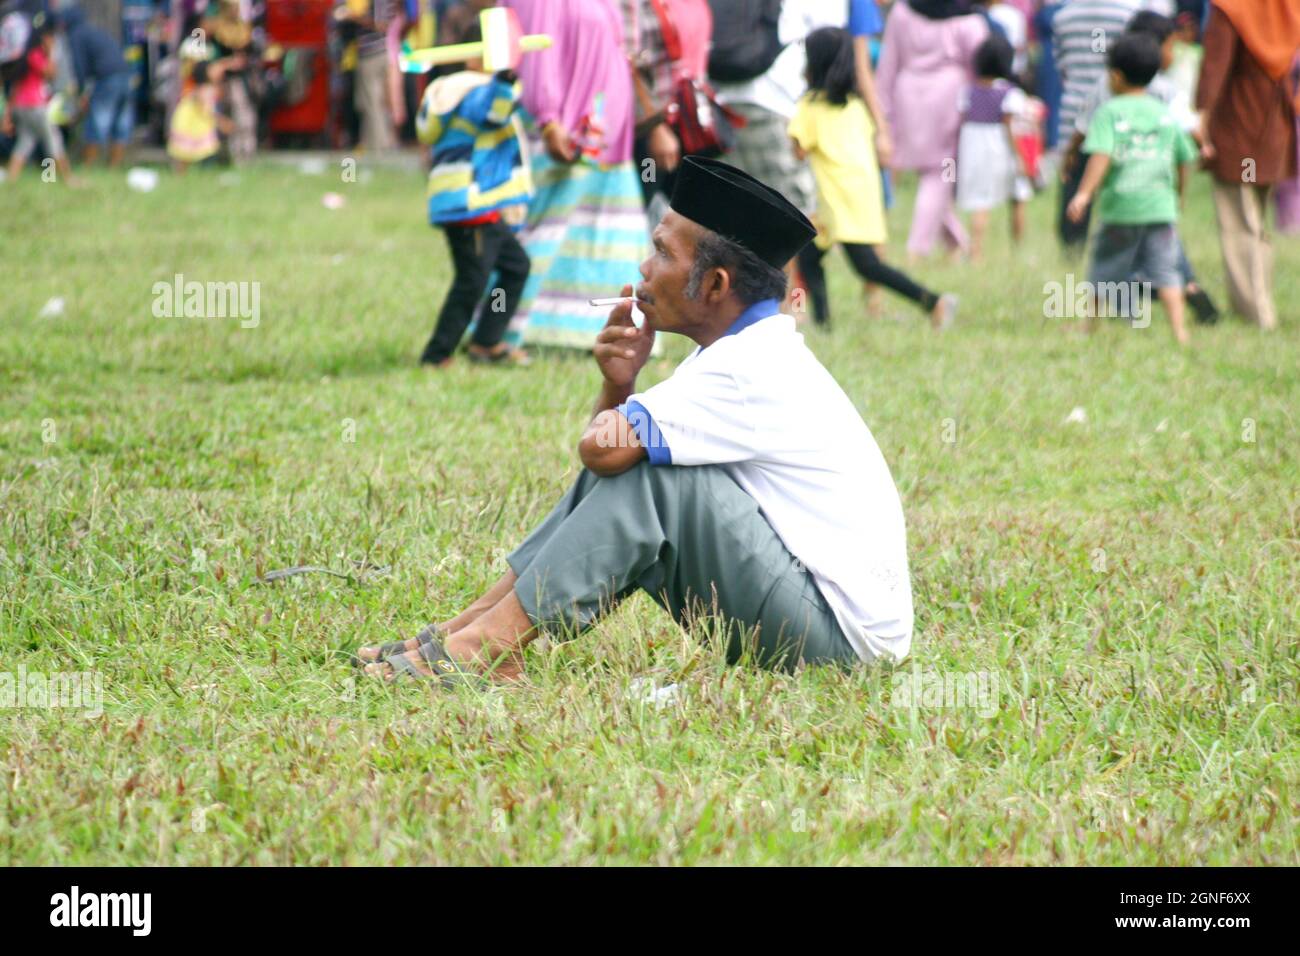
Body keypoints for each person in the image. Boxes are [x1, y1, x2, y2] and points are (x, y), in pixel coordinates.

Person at [355, 157, 914, 683]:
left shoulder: (747, 367)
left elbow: (603, 451)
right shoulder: (738, 351)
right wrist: (620, 385)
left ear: (715, 285)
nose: (645, 270)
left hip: (839, 647)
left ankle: (482, 647)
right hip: (819, 618)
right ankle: (469, 630)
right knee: (644, 454)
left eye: (663, 254)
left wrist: (621, 385)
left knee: (653, 471)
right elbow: (609, 455)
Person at [497, 0, 648, 351]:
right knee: (541, 231)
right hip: (563, 132)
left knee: (601, 236)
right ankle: (499, 332)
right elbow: (534, 46)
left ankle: (591, 330)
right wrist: (548, 119)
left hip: (604, 138)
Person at [789, 27, 957, 328]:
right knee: (811, 256)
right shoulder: (857, 106)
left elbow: (798, 150)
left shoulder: (809, 107)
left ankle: (933, 301)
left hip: (836, 199)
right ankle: (824, 323)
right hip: (863, 195)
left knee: (866, 266)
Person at [1065, 10, 1218, 322]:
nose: (1171, 53)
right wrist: (1200, 151)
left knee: (1106, 263)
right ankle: (1180, 315)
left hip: (1120, 199)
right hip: (1158, 198)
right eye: (1170, 46)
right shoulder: (1165, 95)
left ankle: (1099, 320)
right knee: (1165, 259)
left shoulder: (1105, 94)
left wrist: (1076, 175)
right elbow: (1185, 143)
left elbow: (1089, 138)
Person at [413, 29, 533, 367]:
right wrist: (505, 79)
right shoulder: (466, 91)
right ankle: (436, 355)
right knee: (471, 281)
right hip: (470, 205)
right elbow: (491, 113)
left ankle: (486, 341)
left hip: (481, 206)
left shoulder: (463, 91)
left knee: (515, 267)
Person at [1196, 0, 1299, 331]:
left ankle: (1256, 314)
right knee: (1256, 222)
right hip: (1274, 126)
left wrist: (1200, 117)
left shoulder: (1231, 7)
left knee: (1240, 221)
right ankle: (1261, 304)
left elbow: (1215, 65)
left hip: (1237, 124)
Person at [1052, 0, 1173, 255]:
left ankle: (1072, 247)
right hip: (1133, 119)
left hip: (1078, 106)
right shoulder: (1128, 12)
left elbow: (1060, 66)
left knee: (1076, 183)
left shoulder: (1063, 16)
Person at [875, 0, 988, 260]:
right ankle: (918, 248)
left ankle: (956, 241)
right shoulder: (969, 20)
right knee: (939, 175)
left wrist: (883, 115)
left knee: (931, 175)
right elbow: (979, 67)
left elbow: (887, 65)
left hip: (908, 96)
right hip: (949, 98)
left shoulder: (903, 12)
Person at [956, 33, 1032, 259]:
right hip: (1001, 149)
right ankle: (1018, 250)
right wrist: (1021, 157)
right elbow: (1011, 127)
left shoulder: (967, 91)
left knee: (980, 202)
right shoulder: (1010, 94)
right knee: (1019, 196)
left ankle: (975, 252)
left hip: (973, 148)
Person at [2, 16, 76, 185]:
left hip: (21, 105)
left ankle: (11, 179)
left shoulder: (21, 55)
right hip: (35, 104)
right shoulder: (34, 54)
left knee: (25, 142)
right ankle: (66, 179)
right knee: (53, 139)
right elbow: (50, 73)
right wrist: (50, 52)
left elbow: (16, 86)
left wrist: (8, 111)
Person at [60, 5, 134, 167]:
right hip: (125, 73)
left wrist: (80, 91)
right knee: (121, 122)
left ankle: (88, 166)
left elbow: (79, 66)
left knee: (98, 122)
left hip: (107, 78)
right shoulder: (94, 31)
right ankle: (114, 166)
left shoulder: (76, 35)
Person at [167, 58, 234, 172]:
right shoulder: (203, 90)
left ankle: (185, 172)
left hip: (196, 122)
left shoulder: (208, 88)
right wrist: (222, 122)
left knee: (196, 150)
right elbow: (206, 109)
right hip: (193, 123)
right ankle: (198, 170)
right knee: (199, 149)